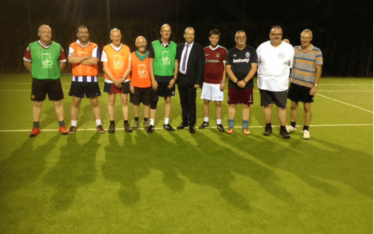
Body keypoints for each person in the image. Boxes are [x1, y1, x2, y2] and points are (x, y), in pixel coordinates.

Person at [23, 24, 69, 137]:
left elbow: (63, 61)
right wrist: (34, 73)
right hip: (38, 80)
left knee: (58, 102)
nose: (46, 34)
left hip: (54, 79)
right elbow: (26, 62)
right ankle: (35, 127)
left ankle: (62, 126)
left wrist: (57, 72)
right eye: (44, 32)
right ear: (39, 34)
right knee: (37, 103)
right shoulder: (31, 46)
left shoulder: (58, 46)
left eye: (48, 32)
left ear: (51, 34)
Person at [256, 25, 295, 139]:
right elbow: (257, 62)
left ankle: (283, 128)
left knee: (281, 107)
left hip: (280, 84)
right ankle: (268, 127)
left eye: (278, 34)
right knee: (267, 106)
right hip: (264, 83)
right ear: (270, 35)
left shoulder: (288, 48)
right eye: (273, 34)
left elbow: (290, 65)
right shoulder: (262, 47)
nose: (276, 36)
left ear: (281, 35)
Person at [67, 25, 104, 134]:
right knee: (76, 102)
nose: (84, 34)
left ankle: (99, 124)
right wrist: (87, 57)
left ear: (88, 34)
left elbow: (94, 61)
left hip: (91, 79)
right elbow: (70, 59)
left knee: (95, 102)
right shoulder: (72, 46)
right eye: (81, 32)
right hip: (77, 79)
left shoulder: (94, 46)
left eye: (86, 32)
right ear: (77, 34)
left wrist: (77, 59)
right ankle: (73, 125)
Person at [286, 29, 323, 139]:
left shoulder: (317, 51)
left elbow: (319, 69)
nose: (305, 39)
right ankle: (292, 126)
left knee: (307, 107)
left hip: (308, 85)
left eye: (307, 38)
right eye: (303, 37)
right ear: (300, 38)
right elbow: (286, 51)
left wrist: (315, 85)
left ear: (311, 39)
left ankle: (306, 129)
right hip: (295, 82)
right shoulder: (295, 49)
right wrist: (285, 44)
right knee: (293, 105)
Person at [225, 30, 258, 135]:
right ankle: (230, 126)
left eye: (243, 37)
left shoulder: (251, 51)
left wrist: (244, 81)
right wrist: (236, 81)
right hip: (233, 84)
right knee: (232, 105)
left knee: (246, 105)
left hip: (247, 84)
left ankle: (245, 127)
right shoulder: (231, 52)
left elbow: (254, 68)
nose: (241, 39)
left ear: (246, 38)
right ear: (235, 39)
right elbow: (228, 68)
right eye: (238, 37)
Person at [148, 24, 178, 134]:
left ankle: (166, 123)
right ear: (161, 32)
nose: (166, 32)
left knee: (168, 100)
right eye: (164, 31)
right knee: (154, 100)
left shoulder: (175, 45)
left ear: (170, 32)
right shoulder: (154, 44)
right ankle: (151, 124)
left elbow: (176, 62)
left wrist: (175, 78)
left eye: (168, 31)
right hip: (157, 77)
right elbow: (150, 63)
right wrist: (153, 80)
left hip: (169, 78)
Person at [101, 28, 132, 133]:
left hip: (125, 79)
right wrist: (114, 80)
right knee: (111, 101)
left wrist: (122, 79)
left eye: (118, 36)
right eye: (114, 36)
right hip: (111, 80)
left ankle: (126, 123)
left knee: (125, 101)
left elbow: (129, 67)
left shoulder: (127, 49)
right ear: (111, 37)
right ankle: (112, 123)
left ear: (121, 36)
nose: (116, 38)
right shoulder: (106, 49)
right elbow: (105, 67)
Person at [175, 27, 205, 134]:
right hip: (181, 79)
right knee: (183, 103)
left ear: (194, 36)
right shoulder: (179, 47)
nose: (190, 36)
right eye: (188, 34)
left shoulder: (198, 48)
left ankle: (192, 124)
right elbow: (176, 62)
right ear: (184, 35)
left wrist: (198, 81)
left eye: (192, 34)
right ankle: (184, 122)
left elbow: (201, 67)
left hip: (192, 80)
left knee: (191, 103)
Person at [199, 29, 227, 132]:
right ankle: (206, 121)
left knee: (218, 103)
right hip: (206, 81)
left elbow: (225, 68)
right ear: (209, 38)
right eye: (213, 38)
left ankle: (219, 123)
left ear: (218, 39)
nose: (215, 40)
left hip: (218, 82)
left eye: (216, 38)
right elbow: (201, 66)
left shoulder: (223, 50)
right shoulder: (204, 50)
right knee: (206, 101)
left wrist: (223, 81)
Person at [129, 36, 152, 130]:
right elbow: (129, 72)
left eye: (143, 42)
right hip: (135, 85)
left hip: (148, 85)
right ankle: (136, 120)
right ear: (136, 44)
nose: (141, 44)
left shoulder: (150, 55)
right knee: (136, 104)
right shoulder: (132, 56)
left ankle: (146, 121)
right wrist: (130, 84)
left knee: (147, 104)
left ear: (146, 43)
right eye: (139, 42)